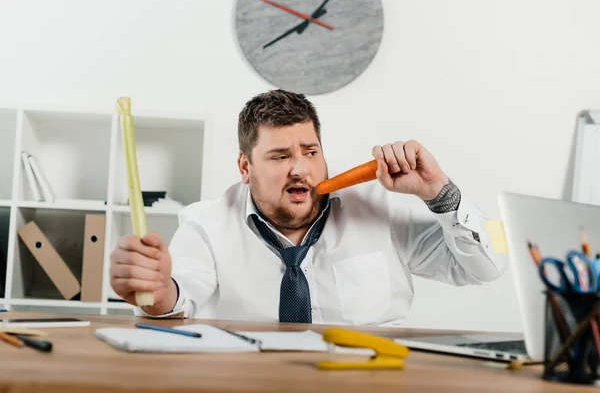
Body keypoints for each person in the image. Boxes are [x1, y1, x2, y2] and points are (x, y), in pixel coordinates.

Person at [109, 89, 503, 326]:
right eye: (280, 156)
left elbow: (492, 265)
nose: (300, 168)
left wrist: (439, 192)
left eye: (310, 152)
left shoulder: (381, 210)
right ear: (246, 167)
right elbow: (178, 299)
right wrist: (156, 292)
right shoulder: (205, 224)